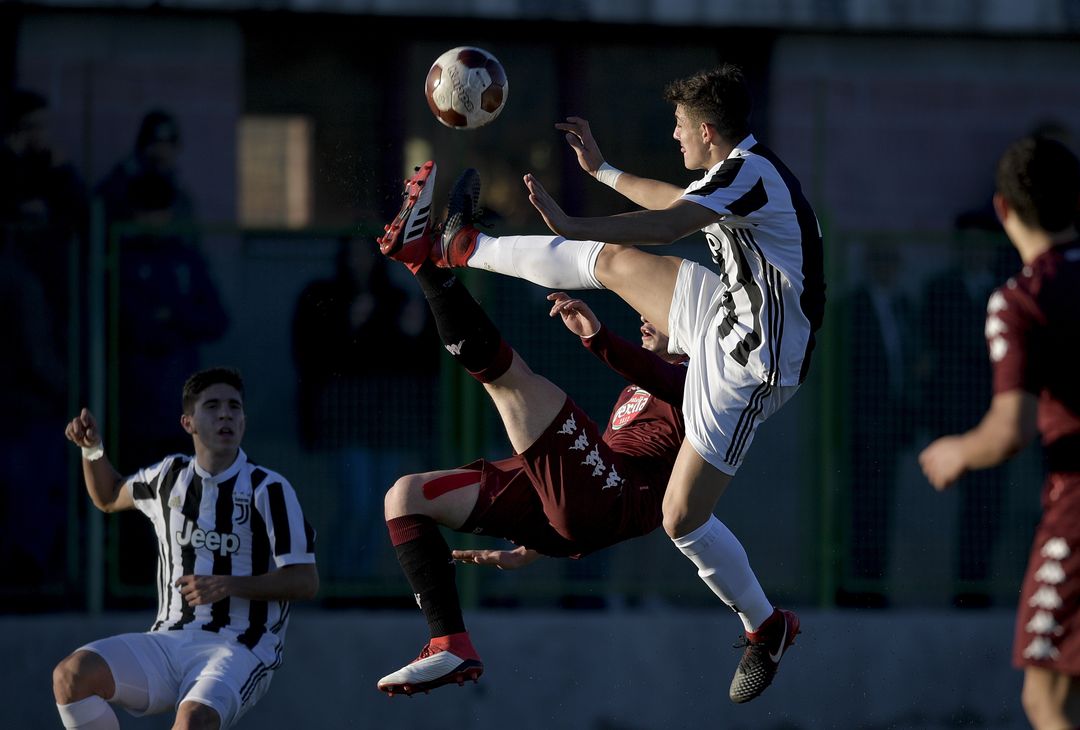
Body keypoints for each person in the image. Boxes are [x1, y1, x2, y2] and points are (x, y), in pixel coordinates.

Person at [383, 62, 822, 703]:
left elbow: (672, 224)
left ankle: (765, 626)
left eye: (677, 127)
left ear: (705, 129)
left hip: (750, 365)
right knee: (614, 264)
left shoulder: (752, 174)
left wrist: (576, 224)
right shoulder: (739, 171)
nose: (674, 137)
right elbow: (673, 205)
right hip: (727, 313)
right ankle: (462, 248)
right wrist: (603, 174)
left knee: (681, 518)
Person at [375, 166, 686, 696]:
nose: (643, 313)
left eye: (653, 305)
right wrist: (535, 550)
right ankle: (449, 644)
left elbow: (659, 380)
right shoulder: (656, 374)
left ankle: (424, 261)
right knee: (406, 498)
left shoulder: (709, 373)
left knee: (510, 381)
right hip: (586, 503)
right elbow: (585, 492)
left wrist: (600, 339)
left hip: (613, 495)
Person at [53, 367, 319, 730]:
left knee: (194, 720)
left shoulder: (269, 489)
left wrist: (229, 585)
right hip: (168, 639)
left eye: (234, 407)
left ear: (244, 420)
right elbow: (109, 496)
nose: (226, 414)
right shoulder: (168, 476)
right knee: (72, 676)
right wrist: (92, 449)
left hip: (239, 646)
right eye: (212, 406)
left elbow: (305, 581)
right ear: (188, 422)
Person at [919, 135, 1080, 730]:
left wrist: (956, 450)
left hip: (1075, 509)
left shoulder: (1021, 298)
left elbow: (1009, 429)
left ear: (1003, 210)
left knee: (1048, 701)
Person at [291, 236, 437, 579]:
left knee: (379, 507)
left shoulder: (396, 299)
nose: (360, 262)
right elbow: (310, 355)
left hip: (388, 418)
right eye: (353, 253)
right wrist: (350, 325)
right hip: (345, 416)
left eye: (366, 254)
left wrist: (413, 332)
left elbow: (417, 363)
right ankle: (343, 581)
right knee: (356, 502)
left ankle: (360, 583)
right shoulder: (322, 296)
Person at [838, 243, 917, 607]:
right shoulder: (853, 308)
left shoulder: (903, 307)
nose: (888, 270)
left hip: (890, 425)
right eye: (881, 261)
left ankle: (874, 584)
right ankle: (853, 585)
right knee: (857, 505)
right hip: (860, 426)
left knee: (882, 506)